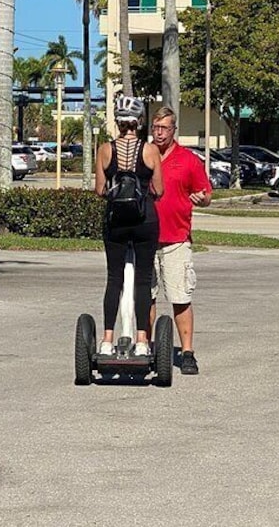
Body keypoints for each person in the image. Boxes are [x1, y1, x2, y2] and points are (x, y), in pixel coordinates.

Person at [95, 96, 164, 357]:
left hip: (116, 222)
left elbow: (99, 190)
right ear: (139, 121)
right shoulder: (150, 150)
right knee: (143, 281)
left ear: (118, 121)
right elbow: (159, 189)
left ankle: (106, 339)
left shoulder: (105, 149)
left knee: (114, 279)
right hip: (144, 220)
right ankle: (143, 341)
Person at [149, 107, 212, 374]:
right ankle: (147, 348)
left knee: (180, 297)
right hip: (145, 241)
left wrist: (203, 199)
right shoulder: (143, 156)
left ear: (174, 130)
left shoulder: (188, 160)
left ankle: (187, 352)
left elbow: (206, 193)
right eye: (155, 127)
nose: (159, 132)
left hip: (176, 240)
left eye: (164, 127)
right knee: (145, 298)